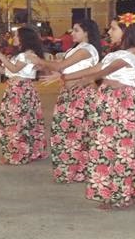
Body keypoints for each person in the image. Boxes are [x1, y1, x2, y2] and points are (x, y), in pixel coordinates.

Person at [43, 14, 135, 209]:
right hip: (107, 101)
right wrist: (69, 77)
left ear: (126, 30)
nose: (110, 32)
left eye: (114, 28)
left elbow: (106, 69)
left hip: (122, 103)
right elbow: (98, 69)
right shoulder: (117, 51)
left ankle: (122, 197)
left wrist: (78, 76)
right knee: (104, 148)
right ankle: (112, 192)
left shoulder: (134, 52)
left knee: (121, 149)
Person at [28, 20, 102, 183]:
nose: (72, 33)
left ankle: (79, 170)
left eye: (76, 30)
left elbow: (61, 65)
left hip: (80, 94)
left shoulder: (86, 50)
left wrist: (39, 61)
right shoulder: (76, 49)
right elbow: (68, 69)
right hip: (69, 93)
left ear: (87, 33)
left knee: (76, 134)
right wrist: (57, 75)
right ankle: (73, 170)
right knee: (66, 133)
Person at [0, 26, 48, 165]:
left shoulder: (28, 54)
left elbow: (14, 69)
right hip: (15, 88)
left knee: (16, 122)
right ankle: (25, 151)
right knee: (19, 121)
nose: (14, 38)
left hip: (21, 89)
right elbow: (5, 71)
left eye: (17, 36)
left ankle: (18, 154)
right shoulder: (20, 54)